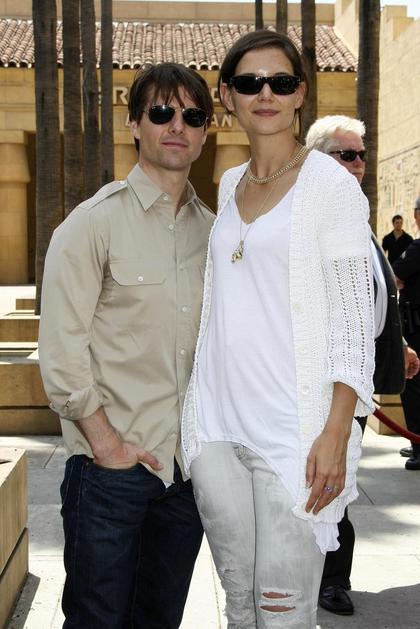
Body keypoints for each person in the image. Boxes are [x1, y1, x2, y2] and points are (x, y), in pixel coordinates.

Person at [181, 31, 375, 628]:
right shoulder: (229, 183)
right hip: (215, 429)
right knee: (241, 608)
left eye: (280, 82)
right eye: (249, 82)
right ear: (227, 96)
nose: (264, 94)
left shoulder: (332, 188)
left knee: (283, 615)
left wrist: (335, 433)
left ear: (300, 94)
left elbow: (353, 326)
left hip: (293, 435)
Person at [38, 62, 214, 628]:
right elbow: (61, 350)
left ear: (206, 132)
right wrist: (106, 445)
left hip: (185, 478)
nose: (176, 126)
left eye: (192, 116)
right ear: (134, 124)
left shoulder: (216, 232)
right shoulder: (92, 224)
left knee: (159, 621)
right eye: (161, 112)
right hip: (109, 473)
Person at [306, 114, 419, 615]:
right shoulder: (310, 219)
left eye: (361, 156)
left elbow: (371, 297)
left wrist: (397, 345)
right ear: (318, 161)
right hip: (325, 382)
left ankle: (332, 576)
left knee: (341, 479)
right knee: (328, 479)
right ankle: (324, 581)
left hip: (357, 376)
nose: (358, 164)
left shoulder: (357, 219)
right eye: (346, 155)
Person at [393, 242, 420, 470]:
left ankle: (419, 447)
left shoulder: (417, 248)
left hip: (415, 330)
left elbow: (393, 276)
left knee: (413, 387)